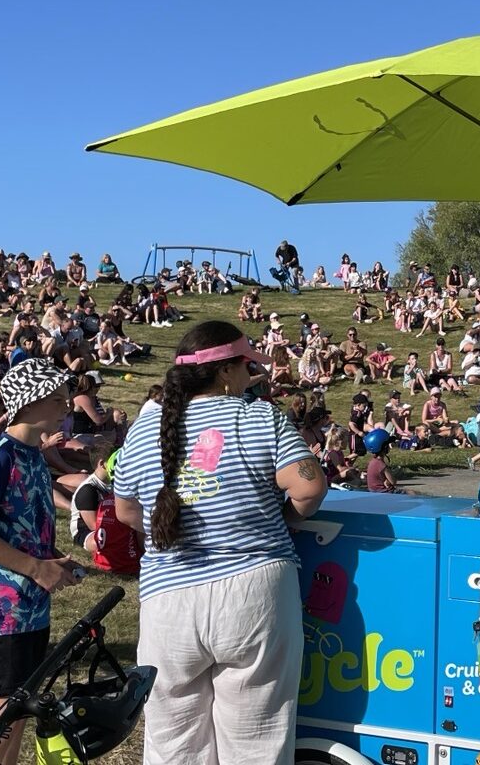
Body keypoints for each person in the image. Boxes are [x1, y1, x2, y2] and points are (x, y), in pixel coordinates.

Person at [114, 321, 326, 765]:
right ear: (225, 371)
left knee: (172, 740)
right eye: (248, 366)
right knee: (256, 738)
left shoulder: (143, 429)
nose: (252, 376)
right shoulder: (258, 416)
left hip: (167, 599)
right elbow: (309, 487)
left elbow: (126, 511)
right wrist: (278, 521)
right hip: (254, 591)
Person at [0, 358, 85, 765]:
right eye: (59, 397)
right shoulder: (1, 453)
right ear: (31, 403)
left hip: (30, 603)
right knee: (4, 713)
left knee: (20, 705)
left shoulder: (33, 453)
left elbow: (20, 526)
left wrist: (52, 560)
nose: (67, 405)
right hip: (2, 608)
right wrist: (37, 568)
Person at [69, 447, 142, 576]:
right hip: (86, 532)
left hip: (108, 526)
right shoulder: (88, 490)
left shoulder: (110, 485)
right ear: (102, 463)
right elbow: (94, 525)